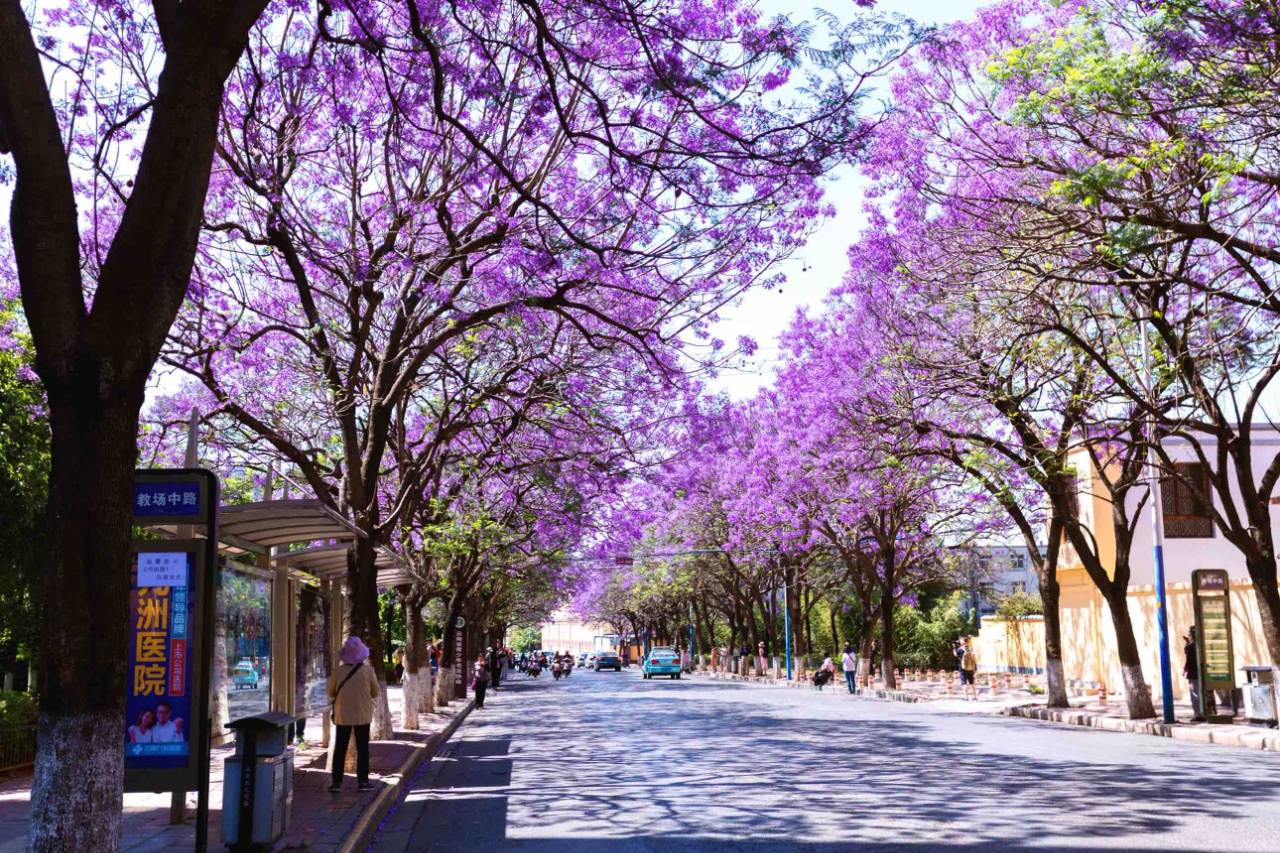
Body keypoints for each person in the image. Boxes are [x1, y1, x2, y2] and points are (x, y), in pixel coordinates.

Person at [327, 636, 380, 793]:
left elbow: (330, 691)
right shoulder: (368, 671)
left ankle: (336, 783)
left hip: (342, 715)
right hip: (363, 715)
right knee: (363, 748)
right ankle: (363, 782)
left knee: (340, 748)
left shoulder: (338, 671)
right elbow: (376, 692)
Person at [957, 636, 978, 701]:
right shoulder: (970, 648)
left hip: (963, 668)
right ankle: (975, 697)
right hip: (970, 668)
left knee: (964, 683)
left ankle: (966, 697)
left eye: (961, 641)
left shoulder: (960, 649)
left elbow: (955, 655)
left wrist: (954, 647)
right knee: (972, 683)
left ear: (963, 642)